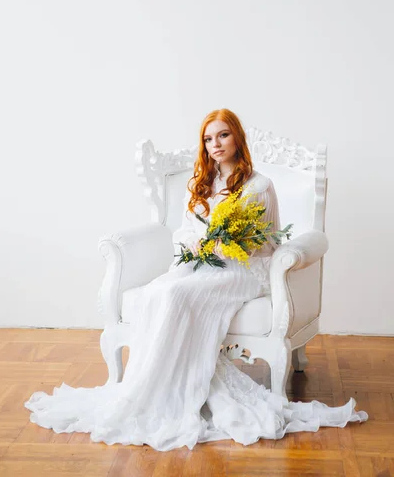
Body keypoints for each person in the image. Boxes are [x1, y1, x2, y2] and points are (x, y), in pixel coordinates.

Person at [24, 108, 368, 451]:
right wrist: (194, 243)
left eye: (223, 135)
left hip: (244, 270)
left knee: (174, 295)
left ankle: (171, 392)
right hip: (203, 263)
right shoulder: (204, 182)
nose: (215, 144)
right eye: (208, 138)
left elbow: (266, 241)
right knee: (157, 291)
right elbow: (185, 230)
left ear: (237, 138)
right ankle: (146, 388)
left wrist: (226, 244)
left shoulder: (260, 186)